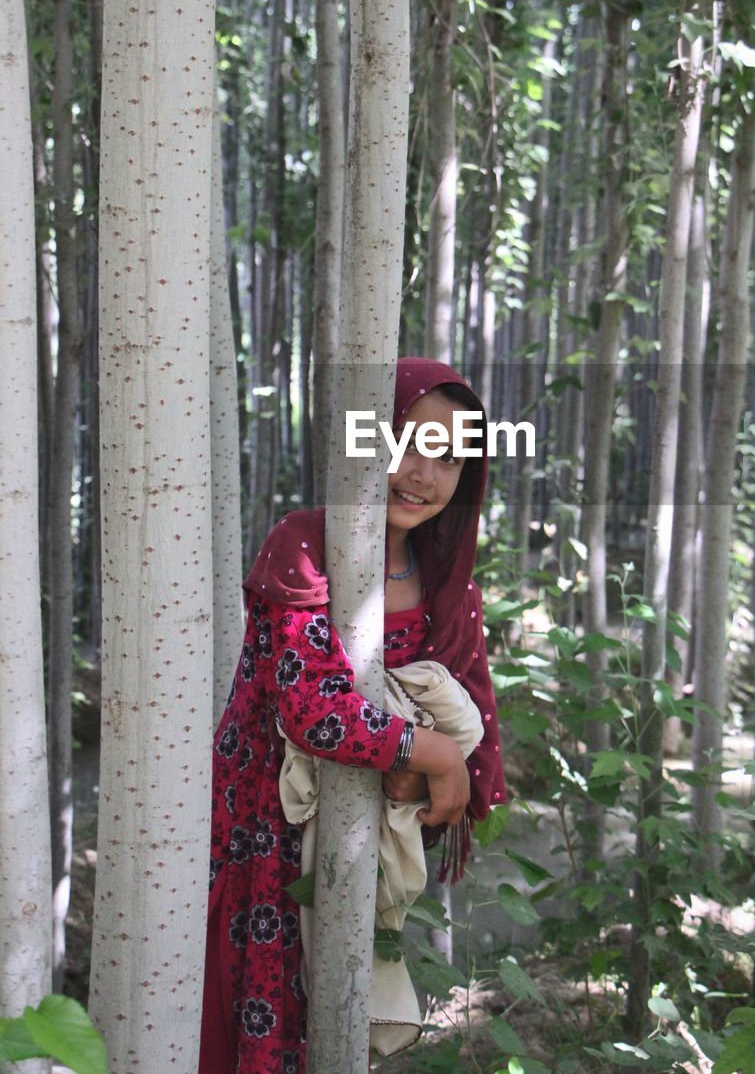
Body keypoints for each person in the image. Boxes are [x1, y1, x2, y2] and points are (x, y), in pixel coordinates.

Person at [198, 358, 506, 1074]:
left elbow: (471, 710)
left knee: (337, 1020)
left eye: (447, 457)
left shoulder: (444, 581)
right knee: (258, 1021)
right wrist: (429, 753)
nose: (420, 472)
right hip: (265, 837)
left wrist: (430, 772)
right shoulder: (305, 543)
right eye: (404, 438)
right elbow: (312, 710)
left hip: (362, 840)